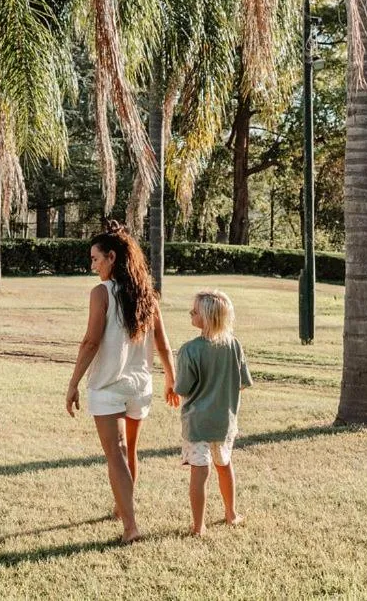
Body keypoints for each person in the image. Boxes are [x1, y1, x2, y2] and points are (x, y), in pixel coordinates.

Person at [64, 221, 180, 543]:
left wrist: (73, 383)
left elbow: (90, 342)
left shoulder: (101, 293)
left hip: (108, 385)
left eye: (96, 259)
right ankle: (122, 508)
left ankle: (130, 527)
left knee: (114, 453)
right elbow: (164, 344)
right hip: (139, 387)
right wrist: (171, 380)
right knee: (130, 450)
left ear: (112, 257)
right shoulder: (147, 295)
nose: (93, 266)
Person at [174, 290, 253, 536]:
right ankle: (231, 513)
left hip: (197, 424)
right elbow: (242, 382)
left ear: (207, 318)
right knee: (224, 465)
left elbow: (183, 388)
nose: (191, 313)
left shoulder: (188, 350)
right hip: (224, 422)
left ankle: (199, 527)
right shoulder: (234, 345)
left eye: (195, 311)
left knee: (200, 472)